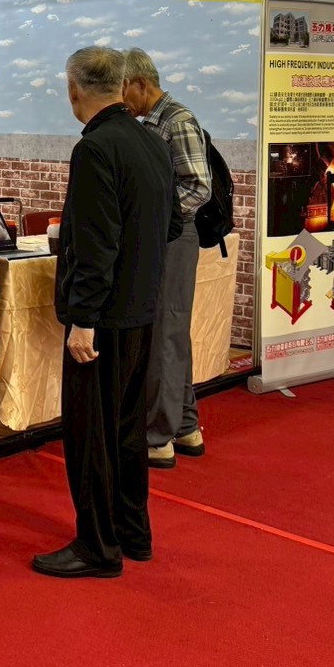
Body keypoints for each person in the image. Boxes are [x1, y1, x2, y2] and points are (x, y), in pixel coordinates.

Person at [32, 47, 180, 580]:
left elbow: (96, 245)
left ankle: (97, 546)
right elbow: (171, 224)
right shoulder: (151, 140)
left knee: (91, 435)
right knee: (126, 431)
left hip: (104, 318)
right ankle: (132, 532)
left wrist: (83, 319)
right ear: (122, 85)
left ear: (74, 91)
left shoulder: (95, 149)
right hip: (141, 309)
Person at [122, 48, 210, 470]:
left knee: (164, 332)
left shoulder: (177, 121)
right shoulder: (154, 122)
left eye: (123, 89)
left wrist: (156, 218)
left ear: (142, 84)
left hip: (173, 236)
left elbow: (198, 187)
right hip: (166, 235)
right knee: (170, 332)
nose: (121, 99)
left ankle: (158, 436)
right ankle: (185, 425)